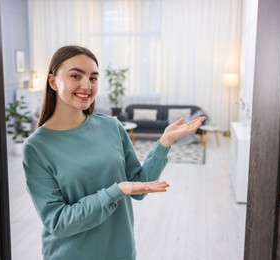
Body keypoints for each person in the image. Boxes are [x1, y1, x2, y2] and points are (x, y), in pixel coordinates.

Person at [22, 45, 206, 260]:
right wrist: (115, 191)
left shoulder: (111, 126)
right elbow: (58, 222)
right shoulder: (37, 147)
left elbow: (139, 187)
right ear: (53, 81)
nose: (86, 85)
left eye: (93, 78)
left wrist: (164, 142)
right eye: (75, 75)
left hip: (120, 252)